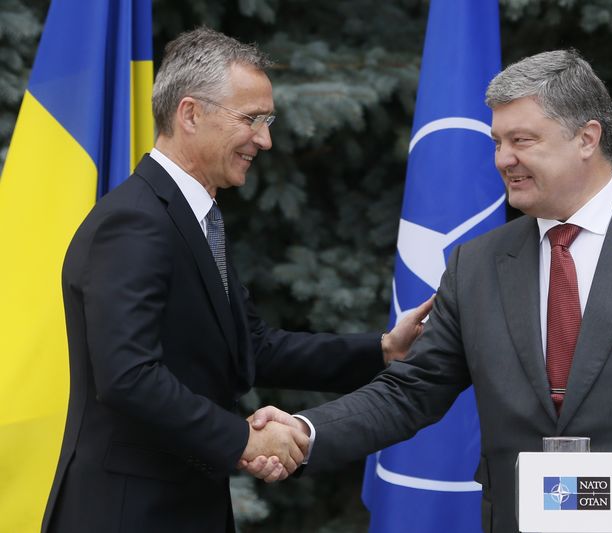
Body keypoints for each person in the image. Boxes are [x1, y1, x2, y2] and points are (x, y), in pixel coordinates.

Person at [246, 49, 612, 532]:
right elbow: (412, 391)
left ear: (586, 139)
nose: (504, 159)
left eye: (522, 140)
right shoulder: (477, 264)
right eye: (498, 142)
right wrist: (304, 429)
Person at [42, 27, 431, 533]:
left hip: (182, 507)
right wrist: (243, 440)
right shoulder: (135, 221)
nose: (265, 140)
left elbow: (253, 347)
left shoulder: (193, 217)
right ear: (190, 114)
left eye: (267, 121)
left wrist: (381, 350)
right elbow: (127, 375)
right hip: (126, 513)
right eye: (251, 120)